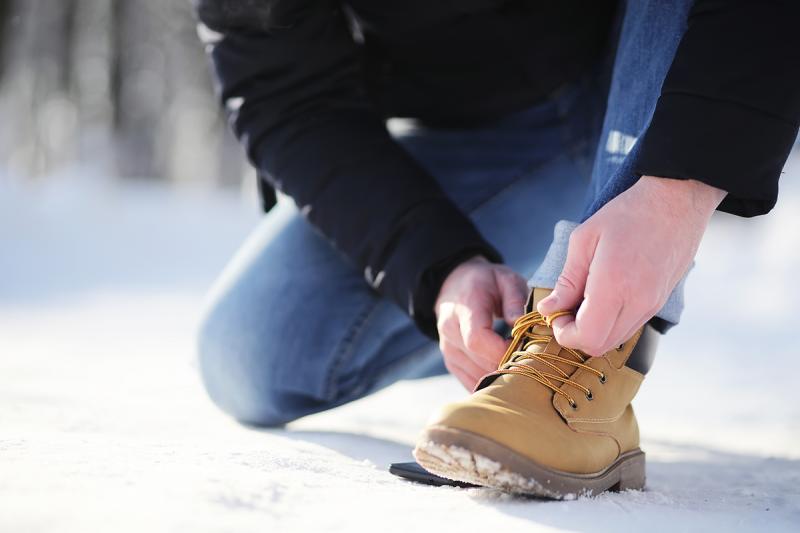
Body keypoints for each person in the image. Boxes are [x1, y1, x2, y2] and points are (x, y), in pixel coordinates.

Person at [194, 0, 800, 497]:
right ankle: (531, 340)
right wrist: (439, 267)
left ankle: (592, 377)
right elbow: (283, 91)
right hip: (493, 131)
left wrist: (679, 186)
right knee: (250, 352)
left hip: (666, 63)